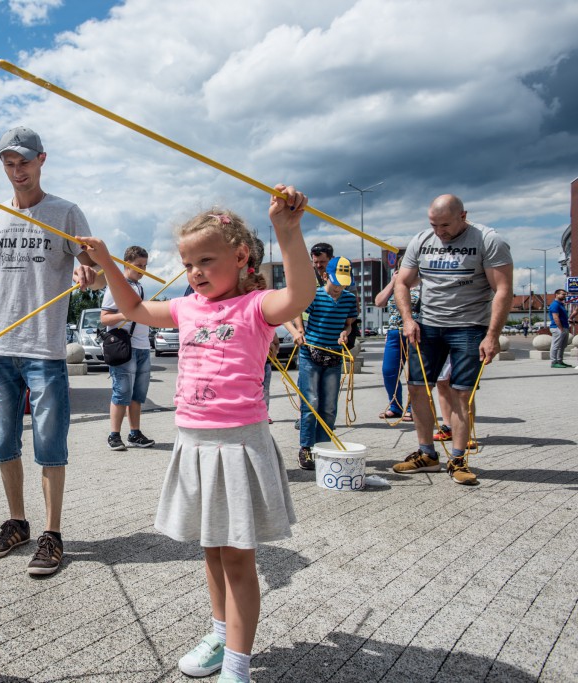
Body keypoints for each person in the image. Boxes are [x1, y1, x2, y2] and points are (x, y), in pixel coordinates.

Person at [79, 184, 314, 683]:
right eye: (188, 264)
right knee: (210, 548)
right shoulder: (187, 309)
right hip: (194, 441)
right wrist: (107, 264)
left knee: (237, 561)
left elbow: (301, 294)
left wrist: (288, 232)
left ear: (242, 255)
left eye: (206, 260)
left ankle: (238, 664)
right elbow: (137, 311)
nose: (195, 273)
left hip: (237, 444)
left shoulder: (256, 307)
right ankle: (219, 632)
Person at [0, 127, 103, 577]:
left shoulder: (64, 213)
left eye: (24, 161)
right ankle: (18, 524)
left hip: (44, 350)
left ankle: (52, 534)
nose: (16, 170)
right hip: (0, 349)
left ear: (41, 160)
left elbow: (99, 274)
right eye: (8, 163)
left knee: (50, 445)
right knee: (3, 442)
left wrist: (91, 276)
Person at [392, 194, 512, 485]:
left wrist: (492, 335)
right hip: (428, 326)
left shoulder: (488, 240)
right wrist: (409, 320)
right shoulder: (422, 240)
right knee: (417, 388)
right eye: (433, 224)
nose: (439, 232)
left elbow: (503, 290)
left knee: (461, 393)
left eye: (444, 225)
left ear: (463, 216)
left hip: (469, 326)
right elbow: (402, 283)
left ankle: (458, 459)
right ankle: (427, 455)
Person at [285, 256, 359, 470]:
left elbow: (349, 324)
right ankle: (306, 447)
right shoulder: (315, 296)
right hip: (311, 353)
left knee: (328, 406)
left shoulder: (347, 299)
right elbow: (297, 310)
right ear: (326, 276)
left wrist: (345, 333)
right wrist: (299, 331)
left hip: (334, 356)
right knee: (311, 403)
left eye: (343, 283)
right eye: (336, 282)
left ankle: (324, 445)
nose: (339, 288)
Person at [101, 245, 155, 451]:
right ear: (126, 264)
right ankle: (114, 435)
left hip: (142, 346)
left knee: (137, 395)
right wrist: (126, 314)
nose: (142, 270)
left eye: (145, 266)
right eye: (138, 266)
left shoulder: (139, 287)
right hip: (125, 346)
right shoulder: (117, 285)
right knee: (121, 392)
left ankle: (135, 433)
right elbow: (104, 317)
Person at [374, 266, 418, 420]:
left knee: (415, 373)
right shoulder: (396, 285)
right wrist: (393, 281)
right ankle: (395, 406)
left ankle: (414, 409)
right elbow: (379, 302)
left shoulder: (423, 285)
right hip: (394, 333)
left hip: (416, 332)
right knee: (389, 372)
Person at [549, 289, 572, 368]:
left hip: (564, 327)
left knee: (562, 346)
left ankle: (560, 361)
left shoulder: (561, 304)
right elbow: (556, 317)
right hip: (557, 328)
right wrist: (561, 328)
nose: (564, 296)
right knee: (556, 345)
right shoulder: (555, 305)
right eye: (563, 294)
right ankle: (553, 362)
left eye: (565, 294)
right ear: (556, 294)